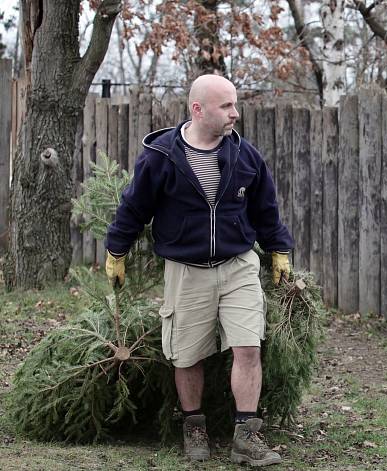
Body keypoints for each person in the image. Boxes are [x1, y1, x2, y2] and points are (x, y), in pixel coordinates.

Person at [104, 74, 293, 466]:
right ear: (197, 109)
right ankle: (193, 426)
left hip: (238, 264)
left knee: (247, 346)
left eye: (234, 105)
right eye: (226, 106)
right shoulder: (162, 156)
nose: (234, 114)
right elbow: (134, 207)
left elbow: (265, 210)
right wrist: (116, 251)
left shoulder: (244, 156)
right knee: (187, 355)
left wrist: (279, 250)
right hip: (186, 270)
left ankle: (247, 437)